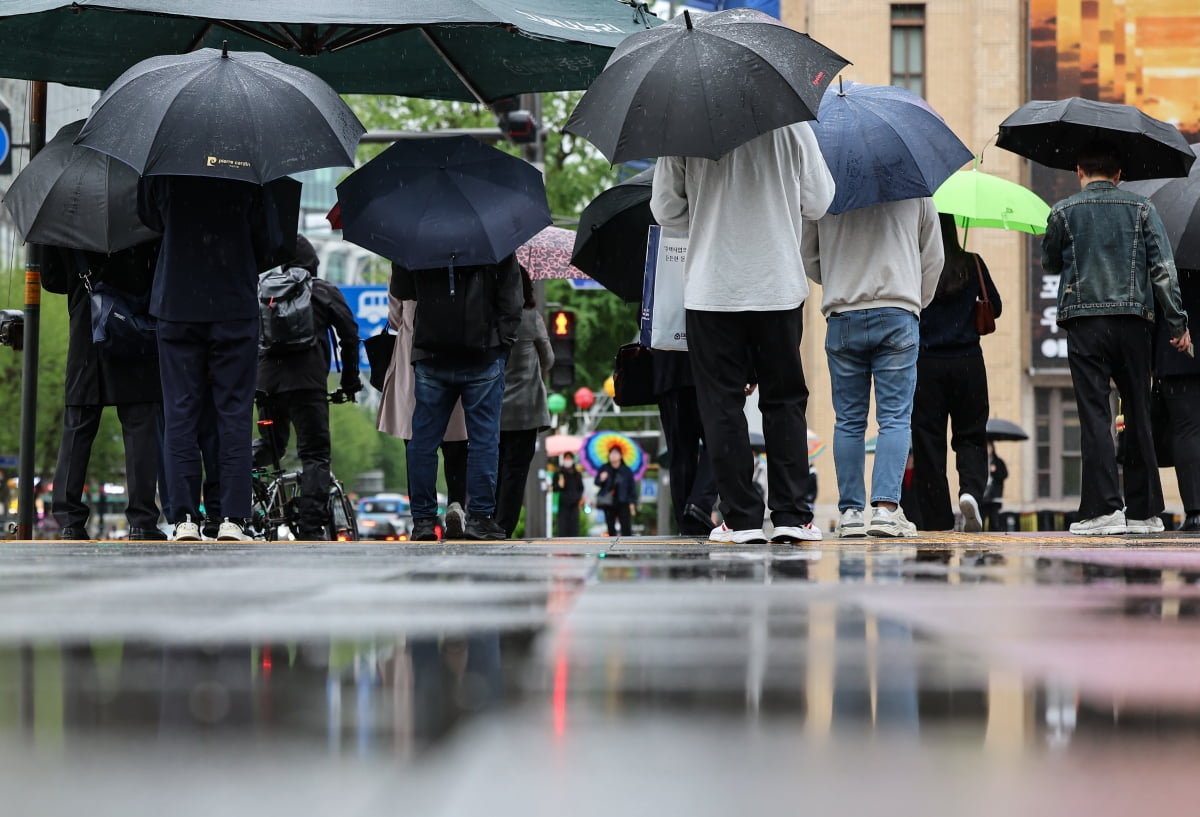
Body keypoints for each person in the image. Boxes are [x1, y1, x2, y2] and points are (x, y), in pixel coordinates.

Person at [651, 122, 835, 544]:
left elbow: (666, 211)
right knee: (784, 397)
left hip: (712, 288)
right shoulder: (792, 125)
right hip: (778, 283)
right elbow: (820, 201)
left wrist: (707, 202)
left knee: (721, 404)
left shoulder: (681, 125)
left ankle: (741, 518)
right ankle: (791, 513)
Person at [1042, 141, 1190, 536]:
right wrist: (1177, 325)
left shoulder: (1062, 211)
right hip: (1133, 323)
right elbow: (1163, 269)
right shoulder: (1142, 209)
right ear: (1120, 174)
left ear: (1079, 171)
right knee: (1138, 413)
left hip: (1084, 323)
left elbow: (1050, 261)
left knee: (1095, 415)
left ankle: (1103, 509)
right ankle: (1144, 512)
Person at [138, 176, 280, 542]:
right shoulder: (251, 167)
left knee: (179, 412)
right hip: (233, 300)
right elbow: (270, 240)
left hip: (176, 300)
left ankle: (185, 517)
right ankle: (232, 517)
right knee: (233, 412)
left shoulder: (162, 164)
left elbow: (148, 218)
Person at [802, 196, 944, 538]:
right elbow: (934, 258)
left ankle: (850, 513)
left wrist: (839, 278)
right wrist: (914, 301)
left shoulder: (827, 186)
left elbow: (808, 254)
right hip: (898, 310)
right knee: (894, 417)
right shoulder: (916, 191)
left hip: (843, 312)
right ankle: (885, 510)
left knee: (848, 420)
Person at [390, 255, 522, 541]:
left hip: (431, 350)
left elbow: (403, 290)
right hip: (483, 351)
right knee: (484, 438)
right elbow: (512, 298)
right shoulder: (492, 239)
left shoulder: (417, 237)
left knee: (423, 440)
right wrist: (502, 345)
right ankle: (479, 518)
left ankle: (423, 520)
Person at [42, 242, 166, 541]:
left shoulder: (63, 219)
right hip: (129, 328)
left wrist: (81, 276)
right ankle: (142, 521)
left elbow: (51, 279)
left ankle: (69, 520)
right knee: (140, 430)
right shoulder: (136, 212)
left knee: (78, 428)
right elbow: (159, 271)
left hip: (86, 330)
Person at [254, 235, 361, 540]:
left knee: (269, 446)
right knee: (314, 454)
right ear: (313, 262)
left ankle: (239, 499)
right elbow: (349, 336)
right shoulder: (323, 290)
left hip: (266, 386)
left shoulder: (264, 291)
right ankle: (311, 528)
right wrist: (349, 382)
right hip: (307, 385)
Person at [911, 213, 1003, 532]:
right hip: (968, 362)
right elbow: (997, 307)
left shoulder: (917, 264)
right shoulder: (972, 262)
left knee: (927, 443)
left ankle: (936, 518)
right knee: (971, 437)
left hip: (926, 365)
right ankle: (971, 492)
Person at [377, 292, 470, 539]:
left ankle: (424, 519)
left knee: (417, 442)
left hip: (413, 353)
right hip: (456, 348)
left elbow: (396, 320)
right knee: (458, 444)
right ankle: (457, 505)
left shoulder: (405, 260)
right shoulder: (464, 255)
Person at [494, 268, 554, 538]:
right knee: (516, 471)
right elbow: (549, 358)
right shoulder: (531, 318)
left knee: (493, 465)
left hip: (492, 408)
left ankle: (486, 519)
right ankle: (504, 525)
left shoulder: (490, 317)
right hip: (527, 410)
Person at [653, 349, 717, 536]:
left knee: (680, 452)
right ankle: (699, 503)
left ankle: (688, 522)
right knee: (720, 441)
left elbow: (644, 320)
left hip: (668, 372)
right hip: (707, 370)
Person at [1155, 267, 1200, 531]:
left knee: (1186, 431)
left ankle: (1195, 510)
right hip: (1175, 353)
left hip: (1175, 351)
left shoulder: (1169, 250)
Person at [594, 445, 637, 536]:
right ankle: (612, 547)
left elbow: (632, 487)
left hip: (623, 501)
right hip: (608, 502)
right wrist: (601, 478)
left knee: (625, 526)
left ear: (621, 456)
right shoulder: (604, 468)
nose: (613, 455)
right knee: (610, 526)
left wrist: (632, 502)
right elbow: (596, 482)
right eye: (611, 453)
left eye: (616, 453)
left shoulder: (626, 470)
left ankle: (626, 546)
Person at [554, 453, 584, 537]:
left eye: (569, 458)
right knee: (563, 527)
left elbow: (581, 488)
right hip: (563, 504)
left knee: (574, 527)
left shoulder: (577, 474)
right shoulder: (559, 473)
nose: (568, 460)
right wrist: (559, 485)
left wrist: (577, 498)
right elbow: (554, 488)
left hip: (574, 504)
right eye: (566, 458)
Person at [981, 441, 1008, 531]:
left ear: (993, 448)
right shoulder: (981, 461)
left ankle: (993, 538)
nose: (988, 450)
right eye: (986, 447)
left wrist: (995, 471)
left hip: (994, 497)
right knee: (981, 521)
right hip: (982, 496)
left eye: (990, 447)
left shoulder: (998, 462)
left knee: (994, 522)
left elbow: (1004, 475)